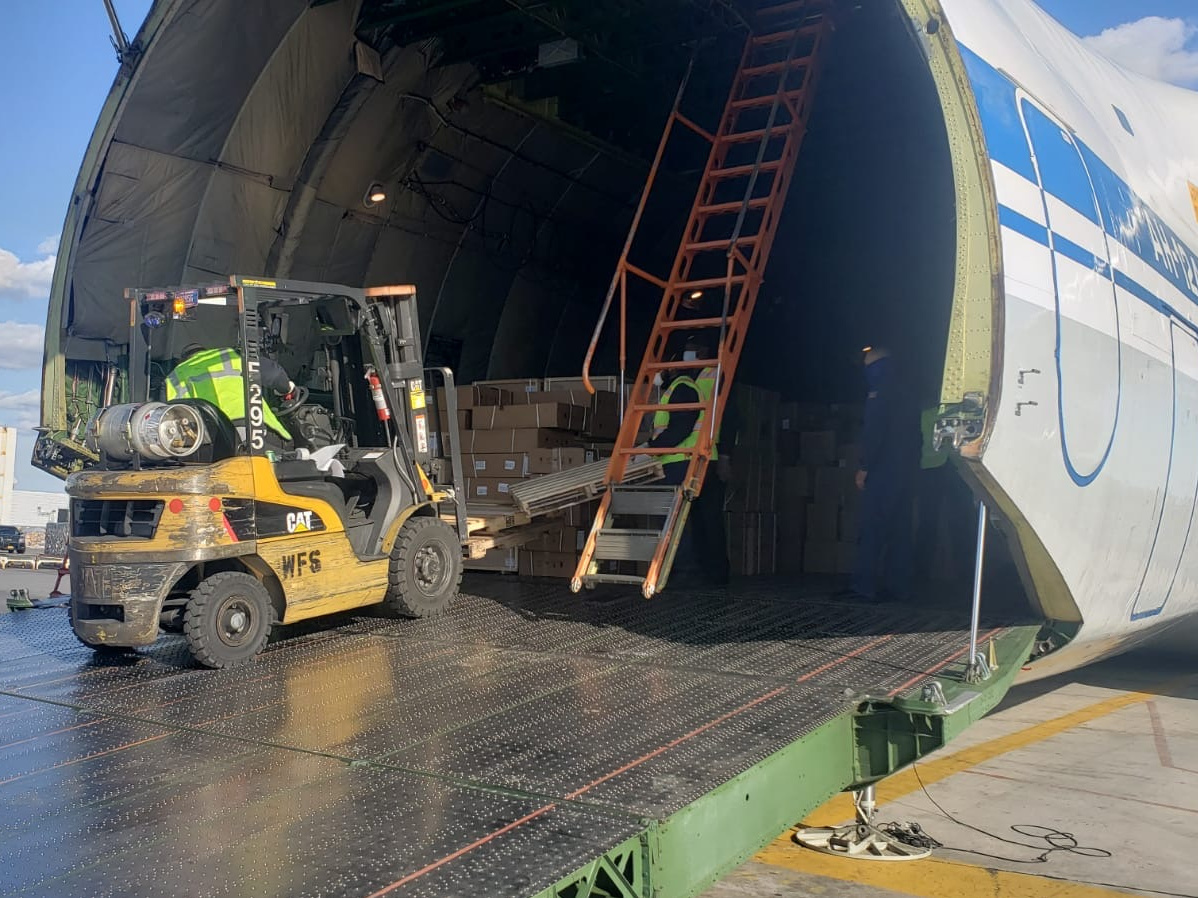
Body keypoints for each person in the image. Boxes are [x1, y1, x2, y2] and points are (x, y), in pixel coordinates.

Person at [644, 348, 730, 586]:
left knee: (678, 520)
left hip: (681, 462)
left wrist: (651, 447)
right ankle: (709, 574)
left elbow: (679, 429)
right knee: (702, 519)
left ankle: (685, 572)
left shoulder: (682, 388)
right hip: (692, 459)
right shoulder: (681, 388)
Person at [849, 346, 921, 602]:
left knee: (872, 528)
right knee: (900, 530)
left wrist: (865, 466)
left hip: (884, 468)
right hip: (906, 468)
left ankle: (863, 586)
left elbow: (874, 430)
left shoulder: (880, 386)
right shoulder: (907, 385)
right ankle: (898, 587)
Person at [165, 343, 295, 448]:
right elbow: (274, 375)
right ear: (206, 351)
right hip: (258, 431)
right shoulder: (230, 355)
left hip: (213, 442)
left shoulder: (174, 377)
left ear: (182, 360)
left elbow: (170, 417)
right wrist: (287, 389)